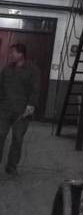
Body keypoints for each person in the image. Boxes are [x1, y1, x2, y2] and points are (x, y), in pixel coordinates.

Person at [0, 43, 40, 176]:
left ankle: (11, 166)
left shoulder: (33, 70)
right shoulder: (6, 69)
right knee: (0, 136)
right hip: (4, 109)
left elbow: (35, 89)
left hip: (22, 111)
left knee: (17, 139)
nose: (11, 55)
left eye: (13, 52)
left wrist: (31, 105)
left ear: (21, 53)